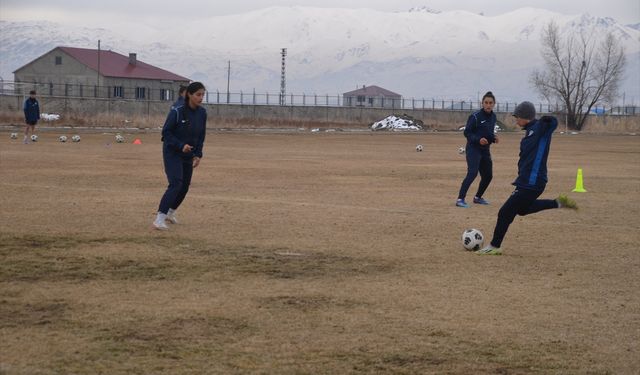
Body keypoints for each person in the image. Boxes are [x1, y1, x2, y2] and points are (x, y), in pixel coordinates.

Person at [477, 101, 577, 255]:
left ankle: (494, 246)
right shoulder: (529, 131)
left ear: (525, 117)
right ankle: (558, 203)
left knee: (505, 212)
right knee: (522, 210)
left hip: (533, 181)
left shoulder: (540, 128)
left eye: (517, 117)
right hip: (527, 180)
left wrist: (547, 119)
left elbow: (553, 123)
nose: (516, 120)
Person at [153, 82, 207, 230]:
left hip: (188, 154)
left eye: (203, 94)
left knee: (184, 187)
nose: (201, 97)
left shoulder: (202, 113)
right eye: (198, 94)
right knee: (176, 183)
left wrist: (198, 154)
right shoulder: (177, 111)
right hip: (172, 152)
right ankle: (159, 219)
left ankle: (170, 213)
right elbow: (166, 133)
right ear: (189, 94)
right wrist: (180, 145)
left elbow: (201, 135)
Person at [456, 91, 499, 208]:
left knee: (488, 176)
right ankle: (460, 199)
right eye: (486, 102)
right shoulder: (475, 116)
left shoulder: (493, 117)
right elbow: (467, 133)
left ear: (494, 104)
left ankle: (478, 197)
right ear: (482, 103)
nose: (488, 105)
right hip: (473, 149)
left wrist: (493, 138)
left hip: (485, 150)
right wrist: (478, 139)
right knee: (472, 173)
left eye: (491, 103)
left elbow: (488, 133)